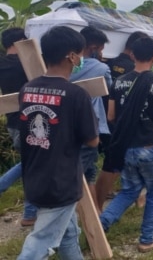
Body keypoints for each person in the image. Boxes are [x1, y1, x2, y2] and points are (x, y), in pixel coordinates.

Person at [16, 26, 99, 260]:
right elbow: (92, 141)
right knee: (39, 243)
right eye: (80, 54)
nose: (81, 59)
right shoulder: (75, 94)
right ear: (71, 56)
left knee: (69, 233)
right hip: (61, 181)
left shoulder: (27, 89)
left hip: (35, 176)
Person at [99, 36, 153, 253]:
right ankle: (147, 240)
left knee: (129, 190)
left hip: (126, 147)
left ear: (133, 55)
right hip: (151, 148)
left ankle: (101, 225)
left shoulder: (118, 82)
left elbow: (110, 116)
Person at [95, 30, 148, 211]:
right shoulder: (136, 73)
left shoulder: (110, 63)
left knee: (110, 165)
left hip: (110, 122)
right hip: (130, 125)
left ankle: (98, 206)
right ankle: (138, 197)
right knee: (138, 163)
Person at [70, 26, 112, 212]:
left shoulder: (67, 64)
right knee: (74, 174)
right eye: (101, 49)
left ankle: (96, 214)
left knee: (89, 172)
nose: (101, 53)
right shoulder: (101, 68)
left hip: (68, 126)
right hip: (90, 125)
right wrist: (100, 63)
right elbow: (108, 86)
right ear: (93, 47)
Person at [0, 27, 38, 227]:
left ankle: (30, 213)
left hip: (11, 121)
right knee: (30, 165)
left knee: (29, 163)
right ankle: (29, 214)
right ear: (19, 43)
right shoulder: (26, 64)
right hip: (29, 121)